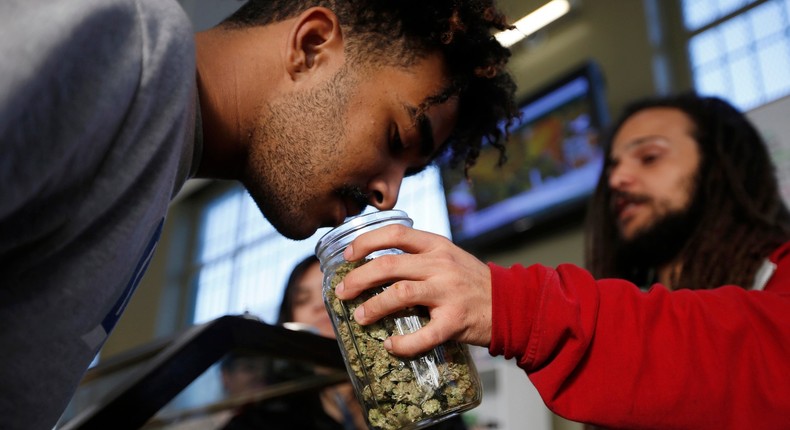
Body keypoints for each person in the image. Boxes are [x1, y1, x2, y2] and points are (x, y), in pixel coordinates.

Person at [0, 0, 518, 428]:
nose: (388, 196)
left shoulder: (155, 162)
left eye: (411, 171)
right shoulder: (124, 44)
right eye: (396, 139)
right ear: (313, 46)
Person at [333, 93, 790, 429]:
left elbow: (763, 358)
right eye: (611, 166)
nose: (618, 179)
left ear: (721, 171)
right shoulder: (641, 290)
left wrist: (513, 305)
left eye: (649, 157)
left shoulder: (779, 271)